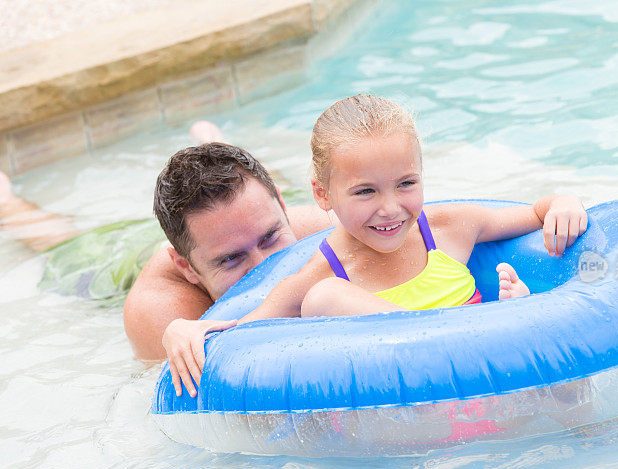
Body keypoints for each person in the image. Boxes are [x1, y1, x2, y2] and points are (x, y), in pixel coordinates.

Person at [164, 95, 587, 393]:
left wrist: (562, 203)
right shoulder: (324, 271)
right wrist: (181, 328)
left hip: (482, 378)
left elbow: (536, 211)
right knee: (324, 298)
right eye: (365, 192)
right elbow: (245, 327)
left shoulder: (448, 227)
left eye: (406, 184)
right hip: (410, 400)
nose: (390, 209)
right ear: (322, 194)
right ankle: (450, 336)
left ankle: (510, 319)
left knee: (565, 383)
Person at [0, 122, 333, 389]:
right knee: (72, 247)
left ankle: (215, 146)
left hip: (222, 226)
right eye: (231, 260)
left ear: (284, 212)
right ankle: (7, 203)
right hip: (124, 258)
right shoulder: (158, 311)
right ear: (185, 267)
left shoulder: (310, 226)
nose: (267, 268)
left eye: (272, 238)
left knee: (271, 186)